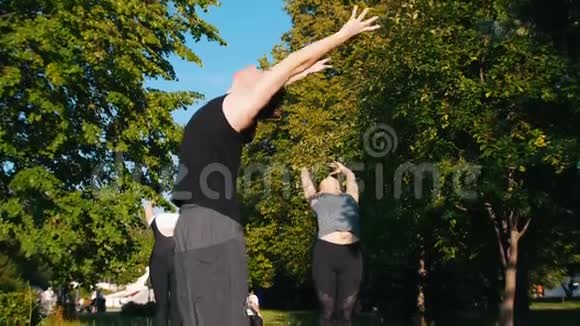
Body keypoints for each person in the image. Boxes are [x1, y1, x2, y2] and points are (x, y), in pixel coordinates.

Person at [170, 6, 379, 326]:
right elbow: (285, 73)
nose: (258, 66)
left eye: (264, 75)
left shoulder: (239, 109)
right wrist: (300, 76)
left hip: (208, 225)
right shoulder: (232, 106)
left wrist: (342, 35)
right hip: (198, 225)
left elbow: (288, 63)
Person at [301, 161, 363, 326]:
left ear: (340, 188)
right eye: (325, 180)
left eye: (334, 179)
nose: (330, 178)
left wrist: (344, 169)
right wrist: (304, 169)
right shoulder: (317, 200)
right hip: (326, 254)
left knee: (346, 311)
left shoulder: (351, 198)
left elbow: (351, 178)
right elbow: (307, 185)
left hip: (352, 255)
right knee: (327, 310)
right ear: (320, 190)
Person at [144, 201, 181, 326]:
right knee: (177, 305)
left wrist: (151, 203)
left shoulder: (156, 220)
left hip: (158, 263)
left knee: (161, 305)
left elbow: (148, 211)